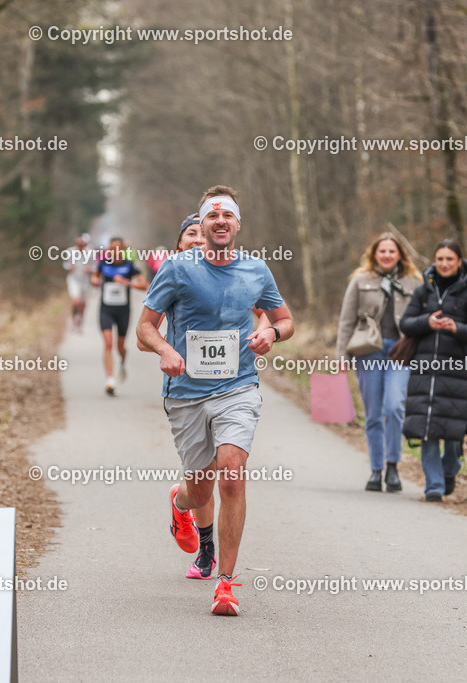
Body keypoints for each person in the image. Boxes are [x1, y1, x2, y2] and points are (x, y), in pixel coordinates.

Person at [137, 185, 294, 616]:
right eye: (212, 217)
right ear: (202, 225)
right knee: (200, 491)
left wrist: (271, 334)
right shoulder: (176, 269)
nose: (220, 222)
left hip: (238, 388)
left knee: (231, 475)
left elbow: (284, 319)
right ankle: (179, 501)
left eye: (228, 217)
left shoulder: (256, 270)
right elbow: (145, 328)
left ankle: (225, 583)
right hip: (187, 394)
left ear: (238, 225)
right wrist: (166, 350)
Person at [399, 239, 467, 502]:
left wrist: (456, 328)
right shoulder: (423, 291)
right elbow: (406, 323)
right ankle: (434, 485)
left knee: (452, 430)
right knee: (427, 428)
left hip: (456, 370)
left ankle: (450, 469)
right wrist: (427, 322)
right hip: (424, 369)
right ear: (434, 261)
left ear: (459, 262)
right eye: (440, 259)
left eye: (450, 259)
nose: (445, 264)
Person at [335, 233, 422, 492]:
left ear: (400, 255)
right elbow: (346, 319)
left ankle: (393, 466)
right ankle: (376, 470)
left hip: (400, 353)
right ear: (374, 254)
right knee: (373, 413)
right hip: (367, 352)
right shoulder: (361, 281)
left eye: (391, 251)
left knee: (394, 407)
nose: (386, 255)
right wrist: (342, 357)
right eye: (381, 251)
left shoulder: (414, 283)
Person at [92, 236, 148, 395]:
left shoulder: (130, 266)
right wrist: (95, 280)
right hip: (106, 309)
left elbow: (144, 285)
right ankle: (110, 380)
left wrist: (127, 283)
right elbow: (95, 277)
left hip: (123, 310)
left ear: (123, 249)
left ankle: (123, 361)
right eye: (112, 248)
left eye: (118, 247)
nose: (115, 251)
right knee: (108, 343)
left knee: (120, 346)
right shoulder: (103, 264)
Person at [64, 233, 93, 331]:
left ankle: (80, 321)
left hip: (85, 281)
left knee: (83, 304)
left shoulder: (91, 252)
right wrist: (69, 266)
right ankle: (73, 322)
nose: (82, 244)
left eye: (84, 243)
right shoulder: (70, 251)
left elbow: (95, 266)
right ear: (77, 241)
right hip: (74, 280)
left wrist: (90, 269)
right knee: (76, 301)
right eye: (81, 242)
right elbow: (65, 264)